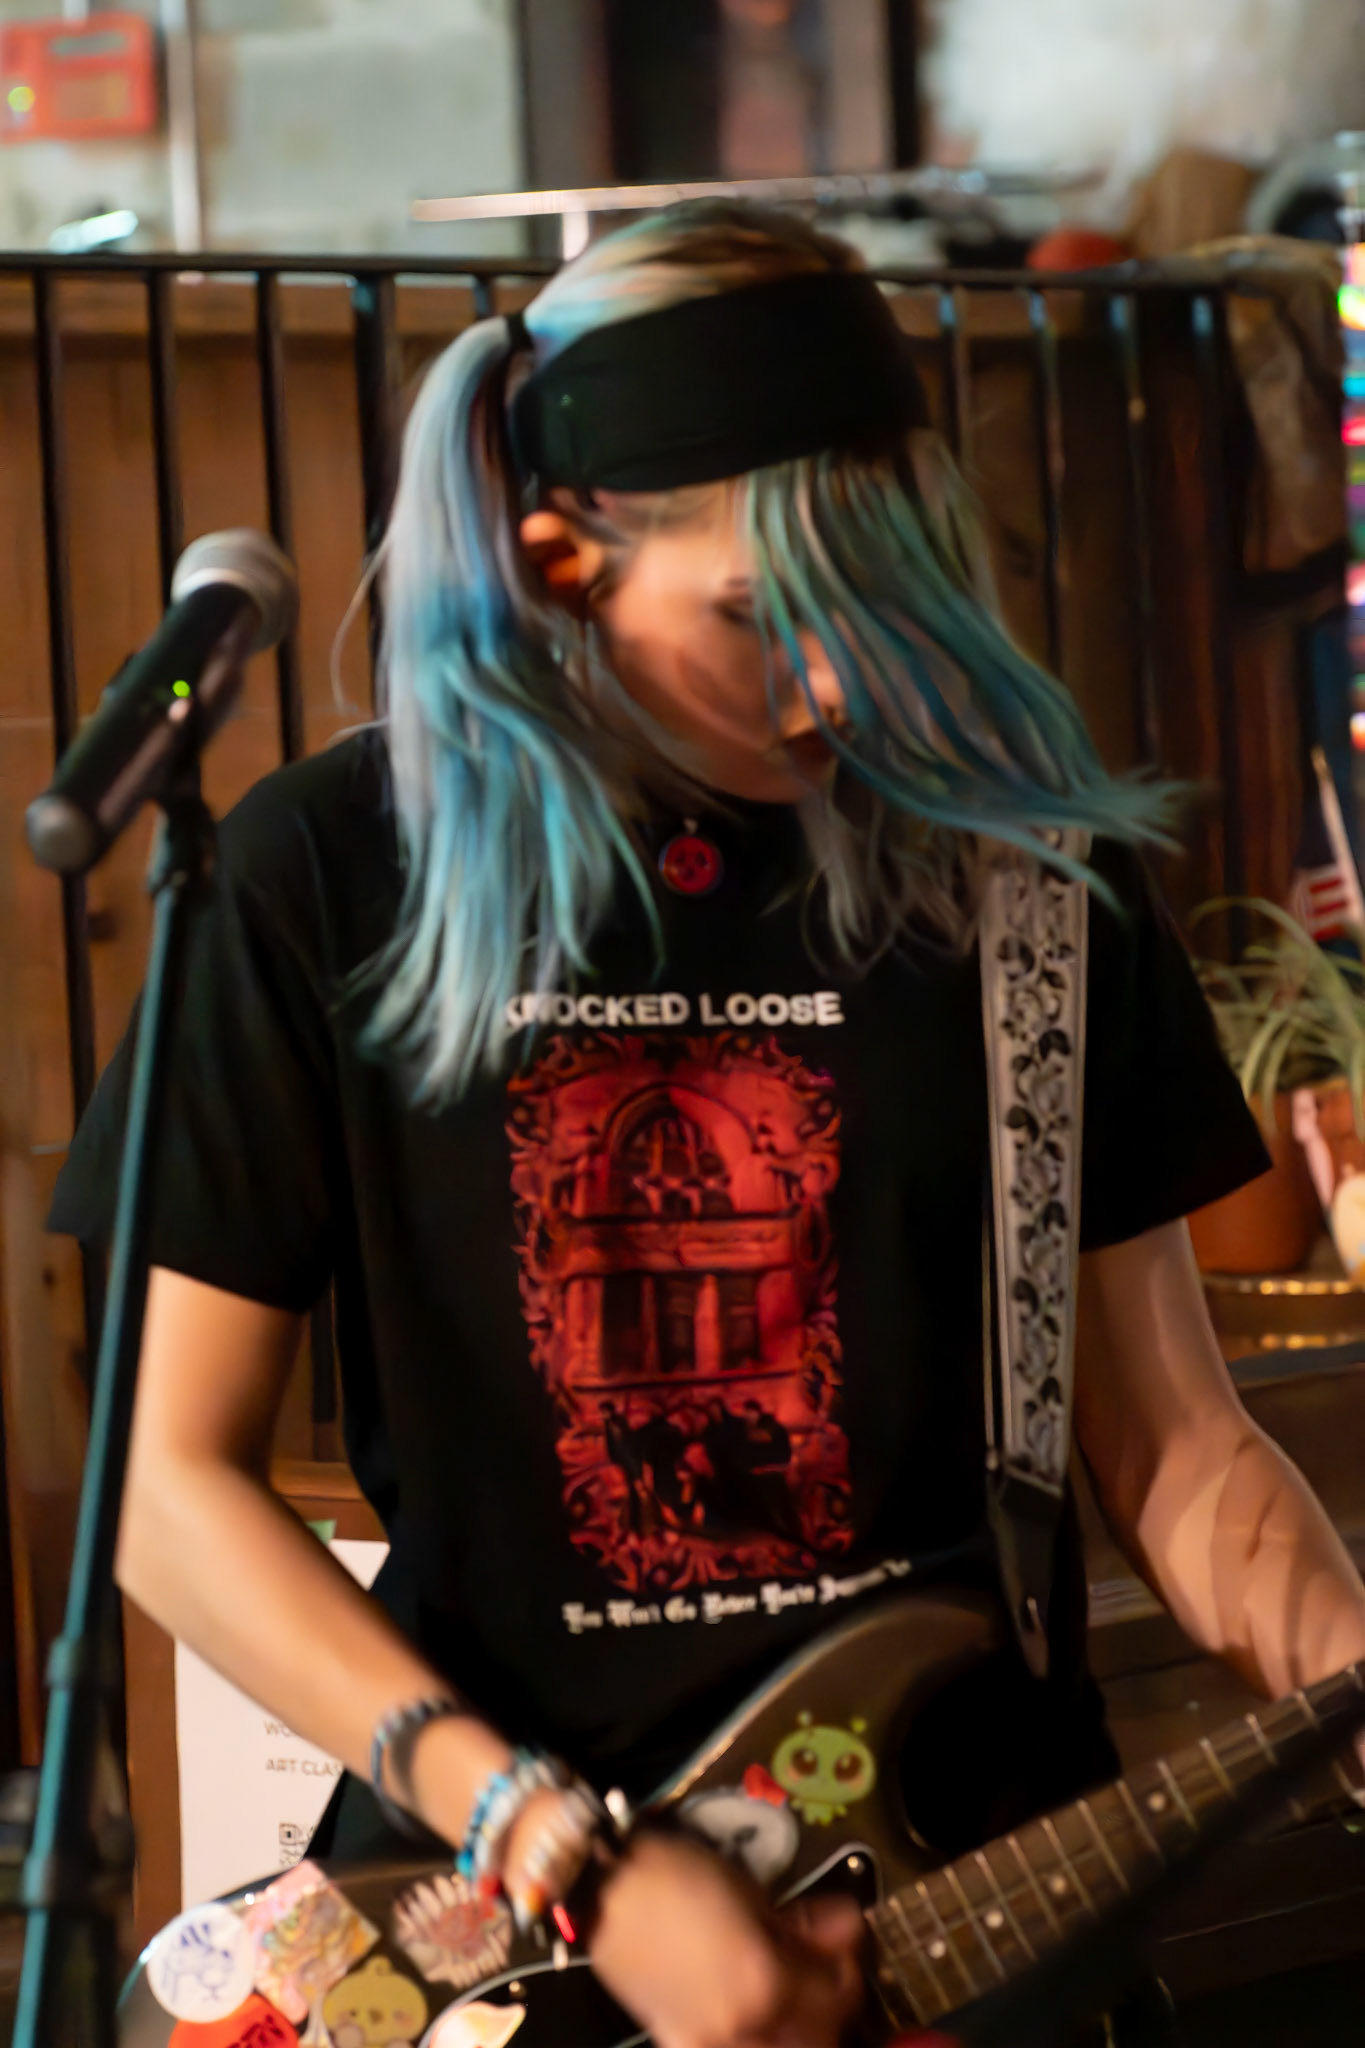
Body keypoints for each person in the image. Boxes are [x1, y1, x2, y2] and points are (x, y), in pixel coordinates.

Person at [51, 202, 1365, 2048]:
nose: (837, 685)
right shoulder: (325, 878)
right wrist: (549, 1841)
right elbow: (166, 1492)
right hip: (498, 1931)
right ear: (556, 561)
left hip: (960, 1899)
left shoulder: (1023, 888)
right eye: (758, 618)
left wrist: (1344, 1671)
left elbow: (1176, 1450)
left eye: (882, 610)